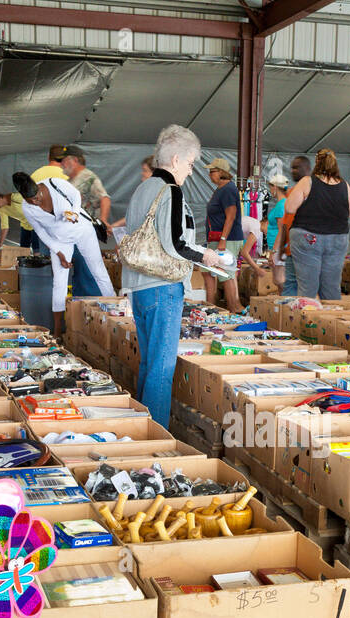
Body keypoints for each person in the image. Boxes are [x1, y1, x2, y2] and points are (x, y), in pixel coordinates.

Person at [122, 125, 224, 425]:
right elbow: (176, 243)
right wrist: (208, 256)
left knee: (149, 364)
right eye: (191, 164)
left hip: (139, 288)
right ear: (177, 159)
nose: (191, 172)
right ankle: (157, 435)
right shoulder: (171, 191)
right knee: (162, 369)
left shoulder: (142, 189)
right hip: (162, 287)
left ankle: (142, 429)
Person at [14, 169, 113, 332]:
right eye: (31, 200)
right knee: (59, 283)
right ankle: (58, 330)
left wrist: (74, 212)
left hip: (83, 231)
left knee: (98, 271)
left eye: (37, 197)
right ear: (24, 198)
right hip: (59, 241)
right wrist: (58, 252)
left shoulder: (54, 183)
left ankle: (113, 314)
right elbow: (40, 232)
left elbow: (76, 196)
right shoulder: (27, 208)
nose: (36, 202)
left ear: (39, 188)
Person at [285, 148, 350, 300]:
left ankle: (307, 319)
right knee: (331, 286)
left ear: (317, 162)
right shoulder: (345, 185)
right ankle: (330, 320)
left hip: (308, 237)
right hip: (337, 238)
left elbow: (290, 208)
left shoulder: (307, 182)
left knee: (307, 287)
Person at [58, 147, 113, 297]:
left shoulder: (88, 177)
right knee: (80, 271)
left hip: (85, 232)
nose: (61, 164)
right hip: (73, 233)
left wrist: (103, 220)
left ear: (74, 160)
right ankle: (80, 304)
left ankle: (93, 303)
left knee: (87, 271)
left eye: (64, 160)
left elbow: (104, 198)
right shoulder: (70, 181)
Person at [204, 157, 244, 312]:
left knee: (226, 273)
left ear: (221, 172)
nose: (209, 174)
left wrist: (223, 239)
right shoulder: (221, 189)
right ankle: (234, 307)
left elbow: (231, 215)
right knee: (226, 273)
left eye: (212, 171)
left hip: (226, 239)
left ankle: (235, 307)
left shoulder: (227, 189)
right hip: (219, 238)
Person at [275, 156, 311, 295]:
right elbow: (285, 223)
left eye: (297, 167)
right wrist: (282, 248)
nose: (292, 171)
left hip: (306, 249)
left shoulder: (315, 192)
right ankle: (289, 315)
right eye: (292, 167)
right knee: (289, 285)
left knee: (305, 287)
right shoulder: (291, 192)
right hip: (291, 250)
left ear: (307, 169)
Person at [110, 156, 153, 230]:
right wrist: (115, 226)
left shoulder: (162, 193)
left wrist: (115, 225)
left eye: (145, 170)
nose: (142, 173)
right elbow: (136, 214)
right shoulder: (145, 190)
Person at [265, 174, 289, 287]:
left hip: (279, 248)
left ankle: (285, 302)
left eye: (270, 187)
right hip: (277, 246)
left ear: (274, 187)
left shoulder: (281, 205)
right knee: (278, 280)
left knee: (280, 280)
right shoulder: (282, 204)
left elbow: (281, 230)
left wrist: (274, 252)